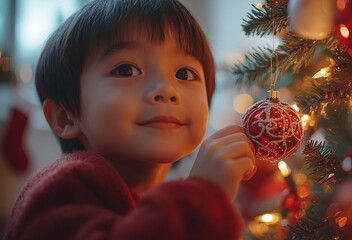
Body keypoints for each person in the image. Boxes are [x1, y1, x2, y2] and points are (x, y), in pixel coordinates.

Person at [3, 0, 256, 239]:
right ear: (65, 117)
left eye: (184, 73)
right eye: (127, 70)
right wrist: (202, 195)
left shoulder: (157, 200)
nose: (166, 90)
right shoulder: (63, 186)